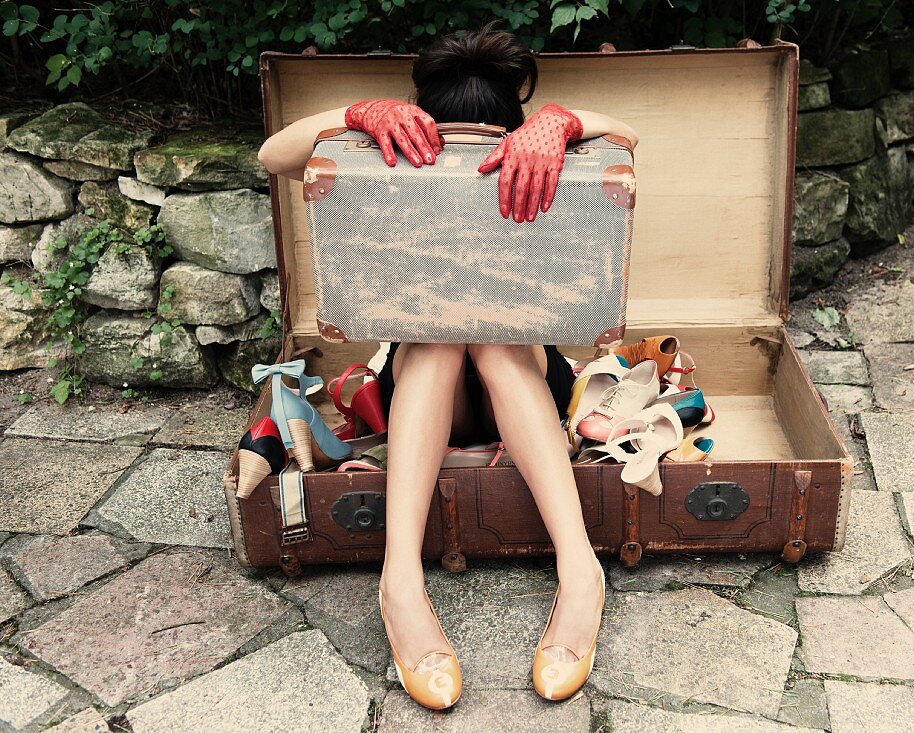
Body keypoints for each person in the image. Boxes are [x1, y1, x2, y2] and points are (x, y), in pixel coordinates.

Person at [257, 22, 639, 709]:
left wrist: (560, 121)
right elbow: (273, 154)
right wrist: (357, 116)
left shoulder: (546, 142)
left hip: (514, 377)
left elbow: (628, 138)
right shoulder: (388, 145)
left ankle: (581, 572)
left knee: (490, 337)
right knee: (436, 338)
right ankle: (399, 580)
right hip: (424, 383)